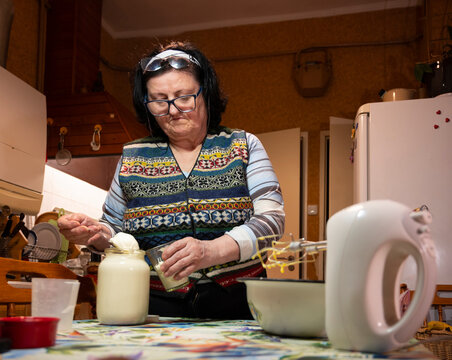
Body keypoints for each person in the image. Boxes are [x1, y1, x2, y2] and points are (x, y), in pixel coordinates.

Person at [58, 41, 285, 319]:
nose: (173, 110)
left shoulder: (243, 145)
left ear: (206, 94)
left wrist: (210, 251)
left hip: (240, 302)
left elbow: (271, 223)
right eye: (159, 100)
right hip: (156, 307)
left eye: (184, 96)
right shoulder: (133, 158)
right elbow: (115, 231)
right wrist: (95, 234)